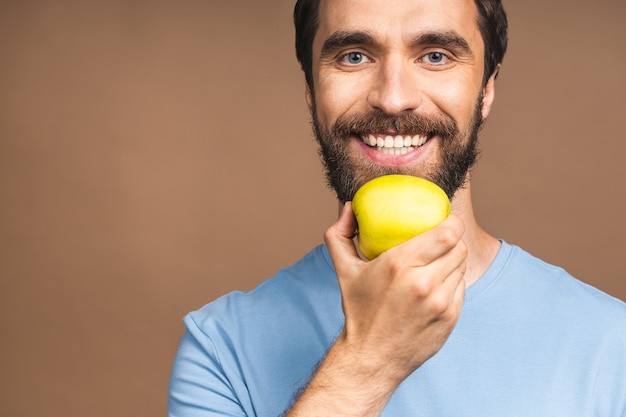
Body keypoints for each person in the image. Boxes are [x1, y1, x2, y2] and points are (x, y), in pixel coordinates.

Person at [168, 0, 626, 415]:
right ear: (311, 91)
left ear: (486, 89)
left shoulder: (613, 344)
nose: (392, 98)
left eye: (435, 56)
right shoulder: (220, 350)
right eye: (354, 56)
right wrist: (366, 363)